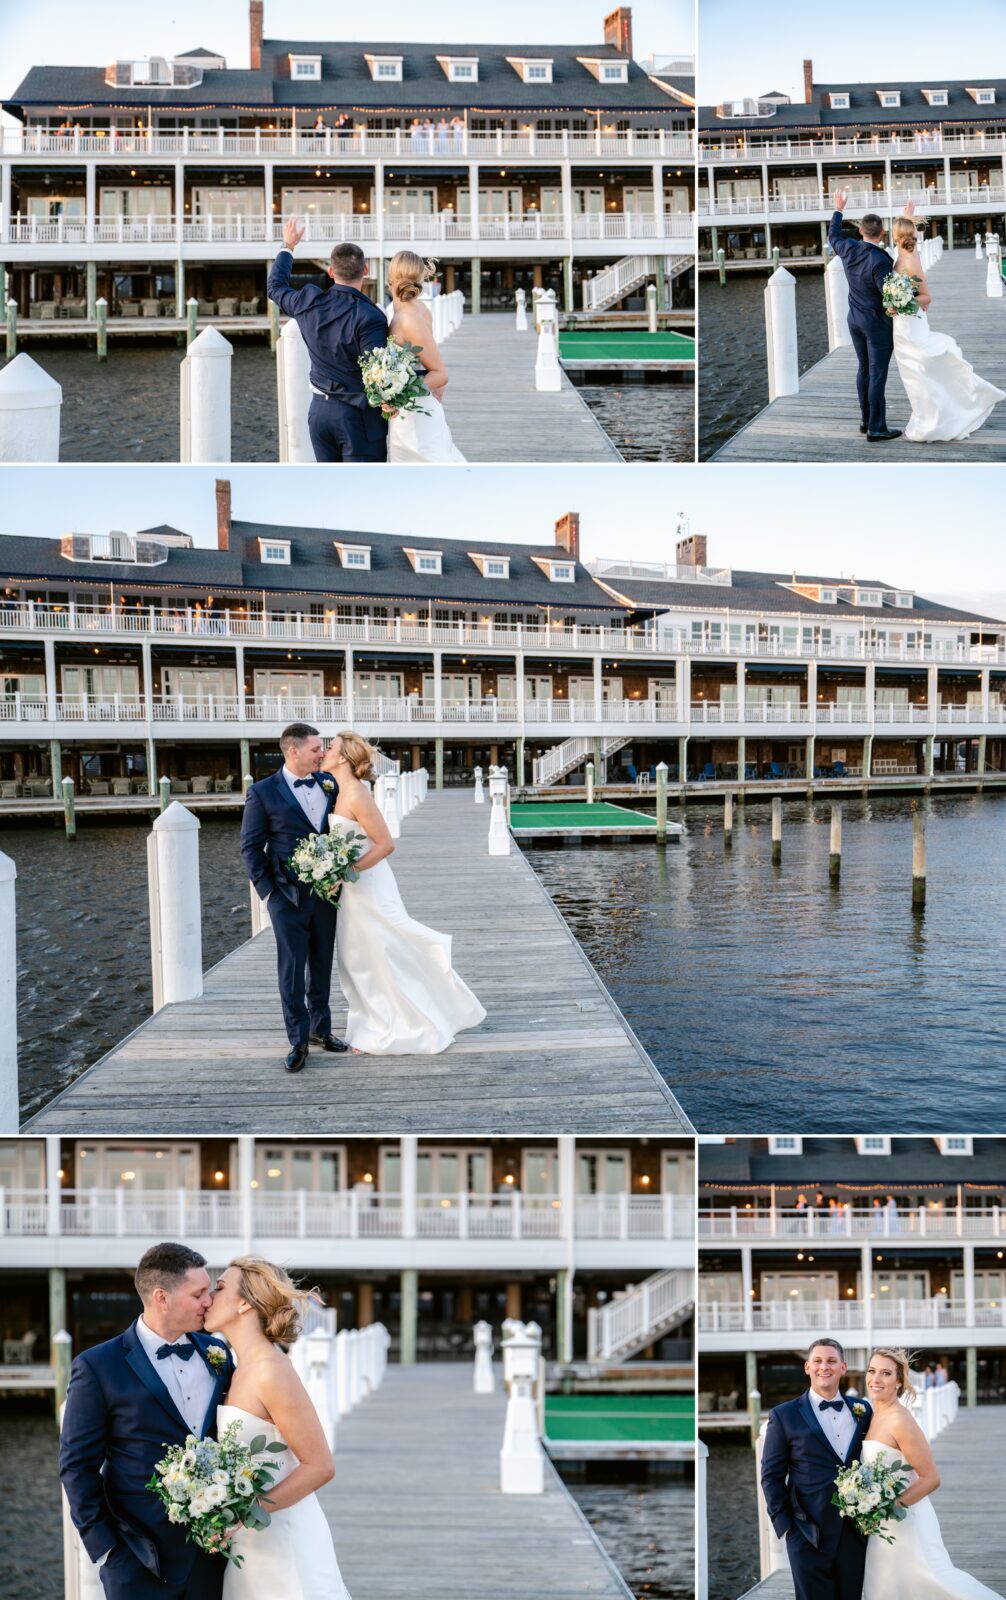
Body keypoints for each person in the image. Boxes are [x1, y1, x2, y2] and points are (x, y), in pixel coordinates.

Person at [59, 1243, 235, 1600]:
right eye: (199, 1293)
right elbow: (77, 1466)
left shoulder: (218, 1356)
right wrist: (107, 1550)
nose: (209, 1301)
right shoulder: (97, 1367)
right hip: (137, 1559)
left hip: (210, 1556)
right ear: (162, 1297)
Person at [321, 731, 486, 1053]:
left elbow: (385, 844)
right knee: (358, 958)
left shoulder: (356, 794)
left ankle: (400, 1025)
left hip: (368, 886)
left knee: (381, 953)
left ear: (342, 758)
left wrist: (346, 872)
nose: (325, 751)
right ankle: (372, 1024)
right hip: (352, 891)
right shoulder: (339, 791)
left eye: (330, 748)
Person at [204, 1257, 352, 1598]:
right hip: (251, 1543)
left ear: (244, 1302)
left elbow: (320, 1466)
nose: (210, 1296)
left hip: (283, 1538)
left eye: (220, 1287)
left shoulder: (271, 1370)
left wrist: (246, 1512)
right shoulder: (238, 1368)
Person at [240, 722, 348, 1072]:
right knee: (291, 969)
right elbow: (251, 847)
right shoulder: (262, 792)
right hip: (286, 896)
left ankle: (321, 1030)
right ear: (294, 751)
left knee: (320, 964)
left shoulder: (328, 784)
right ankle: (298, 1040)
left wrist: (337, 876)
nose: (323, 754)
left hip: (326, 894)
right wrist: (269, 892)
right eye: (317, 749)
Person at [862, 1346, 1003, 1598]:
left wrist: (885, 1510)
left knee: (929, 1582)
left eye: (885, 1373)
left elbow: (931, 1478)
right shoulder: (872, 1415)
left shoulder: (899, 1419)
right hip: (882, 1527)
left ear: (898, 1381)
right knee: (889, 1585)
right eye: (872, 1371)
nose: (876, 1379)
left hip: (904, 1522)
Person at [760, 1336, 872, 1600]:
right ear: (807, 1368)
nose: (825, 1366)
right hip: (807, 1531)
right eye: (818, 1361)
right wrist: (786, 1526)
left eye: (831, 1361)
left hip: (853, 1532)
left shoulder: (863, 1411)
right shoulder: (784, 1415)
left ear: (843, 1367)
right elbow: (771, 1475)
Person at [267, 225, 389, 463]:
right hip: (358, 418)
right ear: (365, 269)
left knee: (329, 489)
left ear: (331, 272)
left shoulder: (307, 302)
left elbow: (275, 287)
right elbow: (378, 374)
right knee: (362, 490)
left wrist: (288, 247)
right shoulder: (371, 316)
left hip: (319, 415)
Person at [887, 204, 1004, 442]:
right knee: (911, 375)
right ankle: (923, 418)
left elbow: (927, 297)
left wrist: (902, 303)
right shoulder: (901, 253)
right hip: (900, 326)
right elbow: (907, 234)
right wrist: (908, 217)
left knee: (919, 372)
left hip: (911, 324)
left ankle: (936, 421)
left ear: (896, 236)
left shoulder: (911, 260)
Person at [828, 191, 901, 442]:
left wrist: (839, 209)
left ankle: (865, 420)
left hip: (854, 321)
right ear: (881, 234)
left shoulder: (848, 248)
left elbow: (833, 235)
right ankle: (876, 428)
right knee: (877, 372)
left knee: (864, 370)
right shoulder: (880, 259)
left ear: (861, 232)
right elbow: (888, 295)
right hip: (876, 325)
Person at [385, 250, 466, 463]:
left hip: (415, 416)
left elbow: (440, 374)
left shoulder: (408, 318)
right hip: (413, 409)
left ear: (389, 279)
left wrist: (396, 397)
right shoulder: (418, 308)